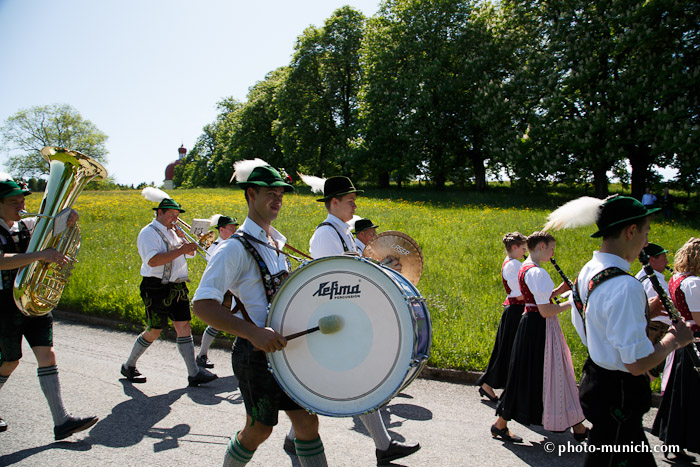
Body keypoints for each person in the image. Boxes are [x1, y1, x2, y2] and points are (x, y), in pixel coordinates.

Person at [192, 161, 328, 466]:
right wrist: (253, 332)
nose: (278, 198)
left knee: (307, 424)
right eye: (271, 192)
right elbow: (202, 305)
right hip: (255, 354)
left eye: (281, 193)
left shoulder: (277, 242)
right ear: (250, 194)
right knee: (259, 429)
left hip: (288, 351)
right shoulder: (233, 249)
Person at [296, 175, 420, 465]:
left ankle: (382, 446)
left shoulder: (344, 233)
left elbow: (356, 272)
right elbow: (334, 283)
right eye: (350, 201)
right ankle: (298, 437)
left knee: (351, 381)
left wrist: (382, 268)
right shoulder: (326, 234)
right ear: (334, 202)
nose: (354, 205)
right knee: (351, 381)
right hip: (335, 319)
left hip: (346, 317)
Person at [569, 195, 694, 467]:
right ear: (631, 231)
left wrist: (641, 312)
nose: (646, 243)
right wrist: (674, 339)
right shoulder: (624, 286)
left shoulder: (589, 271)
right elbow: (637, 364)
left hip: (598, 380)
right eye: (646, 233)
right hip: (619, 394)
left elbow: (593, 323)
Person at [0, 174, 98, 439]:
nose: (21, 205)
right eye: (14, 201)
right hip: (3, 304)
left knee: (48, 355)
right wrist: (40, 255)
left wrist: (69, 218)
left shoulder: (28, 224)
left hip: (31, 299)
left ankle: (61, 421)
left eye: (22, 199)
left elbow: (56, 227)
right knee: (10, 361)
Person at [492, 231, 586, 443]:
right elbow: (544, 310)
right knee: (553, 373)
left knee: (531, 374)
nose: (553, 253)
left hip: (530, 325)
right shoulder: (538, 272)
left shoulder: (526, 267)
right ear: (541, 246)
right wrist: (572, 301)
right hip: (539, 326)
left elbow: (538, 298)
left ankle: (577, 425)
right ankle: (577, 425)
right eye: (551, 248)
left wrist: (557, 292)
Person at [120, 188, 217, 387]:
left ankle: (193, 373)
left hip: (178, 286)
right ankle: (129, 365)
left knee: (184, 326)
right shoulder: (148, 233)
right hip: (156, 287)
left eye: (177, 215)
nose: (175, 218)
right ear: (159, 213)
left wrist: (188, 246)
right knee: (155, 329)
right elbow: (153, 261)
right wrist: (181, 249)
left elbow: (187, 254)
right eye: (171, 214)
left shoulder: (174, 232)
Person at [651, 237, 700, 462]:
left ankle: (672, 439)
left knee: (678, 391)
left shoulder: (677, 278)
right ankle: (680, 439)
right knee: (689, 394)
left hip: (683, 339)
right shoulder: (693, 283)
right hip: (693, 340)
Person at [477, 232, 527, 403]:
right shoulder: (514, 265)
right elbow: (520, 295)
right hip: (515, 310)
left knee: (506, 350)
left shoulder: (513, 263)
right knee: (508, 350)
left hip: (514, 310)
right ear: (514, 247)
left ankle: (491, 384)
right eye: (522, 248)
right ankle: (491, 384)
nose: (524, 252)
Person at [195, 214, 239, 369]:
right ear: (221, 229)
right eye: (231, 228)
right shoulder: (215, 247)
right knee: (217, 323)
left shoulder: (234, 245)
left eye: (235, 228)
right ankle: (202, 354)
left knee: (242, 321)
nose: (234, 230)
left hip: (235, 288)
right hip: (223, 289)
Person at [634, 243, 672, 378]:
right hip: (657, 328)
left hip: (648, 325)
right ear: (652, 260)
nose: (667, 262)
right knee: (650, 371)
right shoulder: (655, 282)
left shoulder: (641, 275)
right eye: (663, 257)